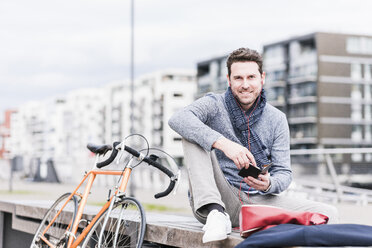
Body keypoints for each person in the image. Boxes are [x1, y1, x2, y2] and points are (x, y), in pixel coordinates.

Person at [168, 48, 339, 243]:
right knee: (191, 133)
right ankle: (216, 213)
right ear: (229, 79)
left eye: (251, 77)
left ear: (262, 78)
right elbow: (178, 119)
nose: (245, 84)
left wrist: (269, 184)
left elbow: (284, 173)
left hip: (258, 201)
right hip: (219, 200)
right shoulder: (213, 104)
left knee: (328, 213)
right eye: (238, 78)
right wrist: (225, 144)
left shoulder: (277, 119)